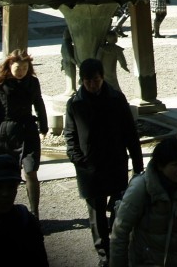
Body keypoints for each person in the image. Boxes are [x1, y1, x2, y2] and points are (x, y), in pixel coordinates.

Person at [65, 57, 145, 266]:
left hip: (114, 161)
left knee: (119, 207)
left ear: (102, 78)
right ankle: (104, 255)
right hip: (89, 167)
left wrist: (138, 166)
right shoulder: (75, 103)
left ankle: (119, 246)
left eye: (96, 80)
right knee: (96, 213)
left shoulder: (116, 98)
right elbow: (70, 134)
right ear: (82, 81)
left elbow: (130, 132)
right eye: (88, 81)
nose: (93, 85)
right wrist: (77, 159)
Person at [109, 136, 177, 267]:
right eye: (175, 164)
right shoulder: (140, 187)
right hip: (149, 261)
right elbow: (120, 233)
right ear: (160, 166)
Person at [0, 48, 49, 218]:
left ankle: (34, 213)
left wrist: (44, 126)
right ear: (10, 66)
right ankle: (4, 210)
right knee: (7, 174)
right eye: (18, 69)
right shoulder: (0, 84)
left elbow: (39, 103)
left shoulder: (33, 82)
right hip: (6, 133)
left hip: (28, 131)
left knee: (31, 170)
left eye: (24, 69)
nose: (21, 72)